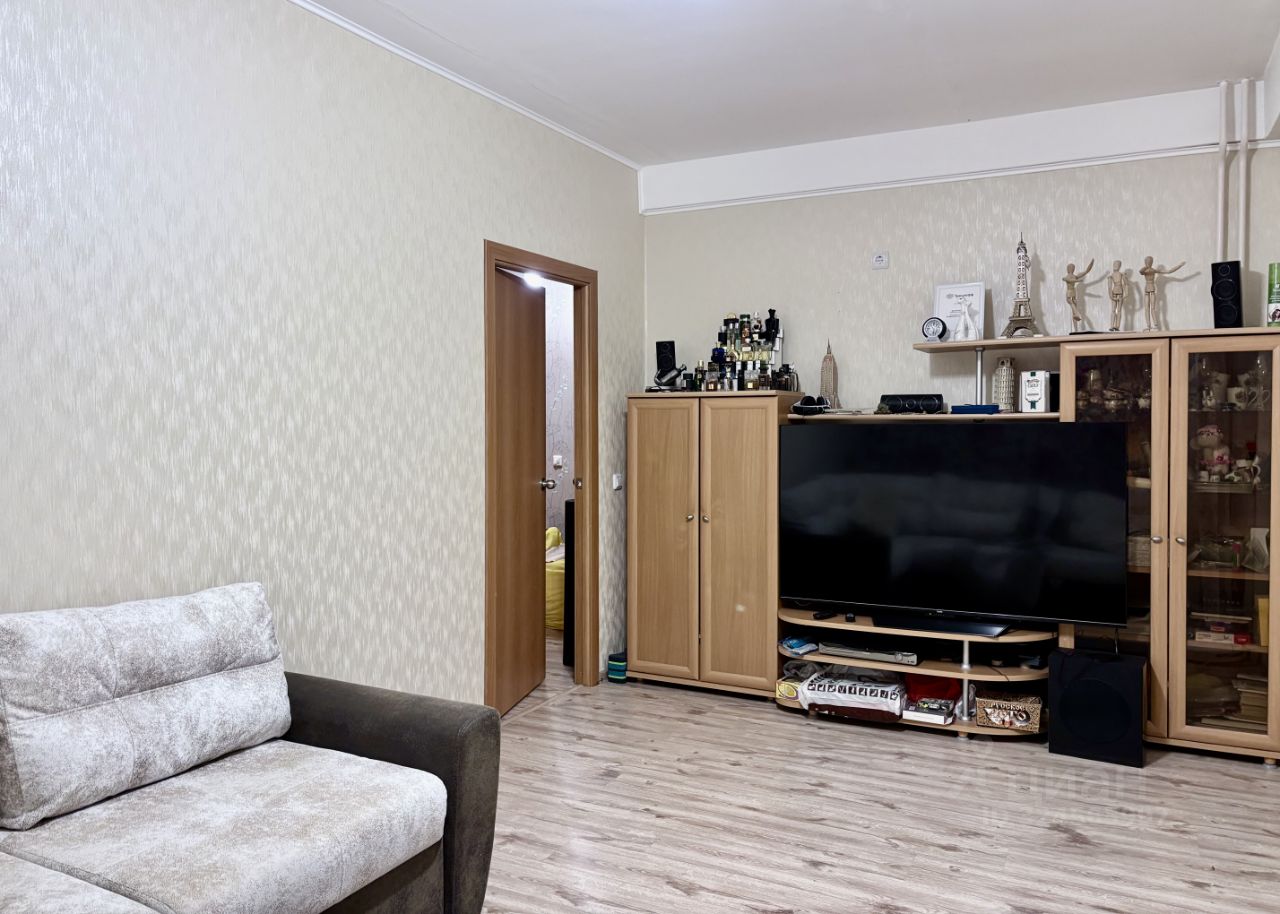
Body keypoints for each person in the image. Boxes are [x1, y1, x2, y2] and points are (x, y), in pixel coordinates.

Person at [1138, 255, 1185, 332]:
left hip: (1152, 289)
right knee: (1146, 308)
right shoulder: (1146, 270)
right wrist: (1146, 266)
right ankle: (1148, 326)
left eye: (1150, 261)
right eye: (1147, 261)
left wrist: (1179, 265)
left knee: (1153, 308)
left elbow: (1169, 271)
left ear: (1152, 262)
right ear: (1145, 262)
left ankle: (1155, 325)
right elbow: (1140, 271)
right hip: (1147, 289)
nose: (1149, 263)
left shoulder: (1153, 270)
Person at [1062, 259, 1094, 329]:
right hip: (1071, 292)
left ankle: (1076, 324)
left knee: (1072, 304)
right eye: (1071, 268)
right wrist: (1078, 280)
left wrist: (1091, 264)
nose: (1072, 269)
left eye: (1072, 268)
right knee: (1071, 303)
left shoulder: (1074, 276)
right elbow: (1069, 280)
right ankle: (1076, 317)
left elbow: (1086, 271)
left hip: (1072, 292)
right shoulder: (1069, 277)